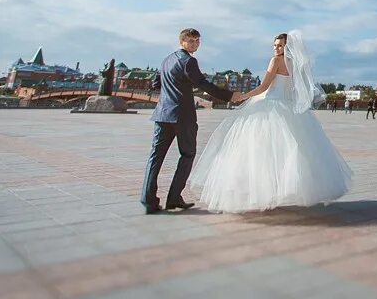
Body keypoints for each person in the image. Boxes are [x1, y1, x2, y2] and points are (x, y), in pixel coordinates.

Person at [189, 31, 353, 212]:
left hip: (271, 105)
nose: (276, 48)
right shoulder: (297, 63)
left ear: (287, 47)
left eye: (280, 45)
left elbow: (264, 86)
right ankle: (281, 191)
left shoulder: (275, 61)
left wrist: (244, 96)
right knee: (290, 151)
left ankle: (261, 193)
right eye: (274, 45)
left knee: (258, 153)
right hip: (290, 108)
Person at [141, 28, 243, 215]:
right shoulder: (189, 61)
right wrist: (229, 96)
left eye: (197, 41)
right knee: (187, 155)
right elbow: (203, 83)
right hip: (182, 116)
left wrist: (175, 87)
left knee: (155, 157)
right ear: (182, 42)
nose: (195, 44)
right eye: (191, 40)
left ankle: (148, 200)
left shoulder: (167, 60)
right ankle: (173, 198)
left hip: (162, 114)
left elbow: (156, 84)